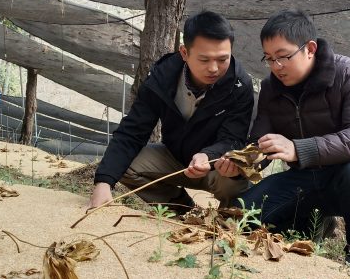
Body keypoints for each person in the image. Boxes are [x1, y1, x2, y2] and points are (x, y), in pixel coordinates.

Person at [216, 10, 350, 271]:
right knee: (242, 217)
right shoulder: (271, 88)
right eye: (269, 58)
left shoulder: (349, 73)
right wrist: (241, 163)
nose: (276, 66)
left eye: (283, 56)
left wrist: (298, 149)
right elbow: (260, 142)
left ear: (310, 49)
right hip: (305, 178)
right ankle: (311, 225)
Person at [90, 11, 254, 211]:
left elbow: (234, 138)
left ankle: (227, 217)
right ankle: (181, 209)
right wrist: (104, 181)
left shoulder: (240, 85)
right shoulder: (162, 77)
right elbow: (132, 131)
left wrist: (207, 156)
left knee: (234, 180)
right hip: (173, 159)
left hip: (215, 167)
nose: (214, 68)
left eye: (222, 59)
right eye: (204, 60)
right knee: (125, 165)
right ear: (184, 53)